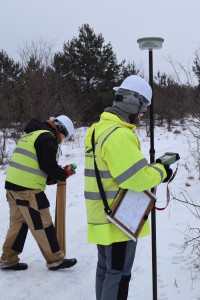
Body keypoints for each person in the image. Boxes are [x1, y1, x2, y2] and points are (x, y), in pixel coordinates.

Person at [84, 75, 173, 300]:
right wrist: (161, 171)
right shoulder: (119, 134)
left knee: (105, 270)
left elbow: (122, 169)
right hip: (119, 220)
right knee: (119, 274)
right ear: (133, 104)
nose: (141, 117)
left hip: (101, 216)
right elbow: (137, 178)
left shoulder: (97, 129)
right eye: (141, 110)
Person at [0, 115, 77, 271]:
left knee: (18, 224)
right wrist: (63, 174)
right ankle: (55, 259)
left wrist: (53, 177)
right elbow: (48, 165)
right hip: (27, 189)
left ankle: (8, 259)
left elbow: (37, 164)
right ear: (60, 129)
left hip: (13, 187)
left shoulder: (32, 133)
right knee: (43, 223)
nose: (62, 139)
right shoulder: (48, 137)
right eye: (64, 135)